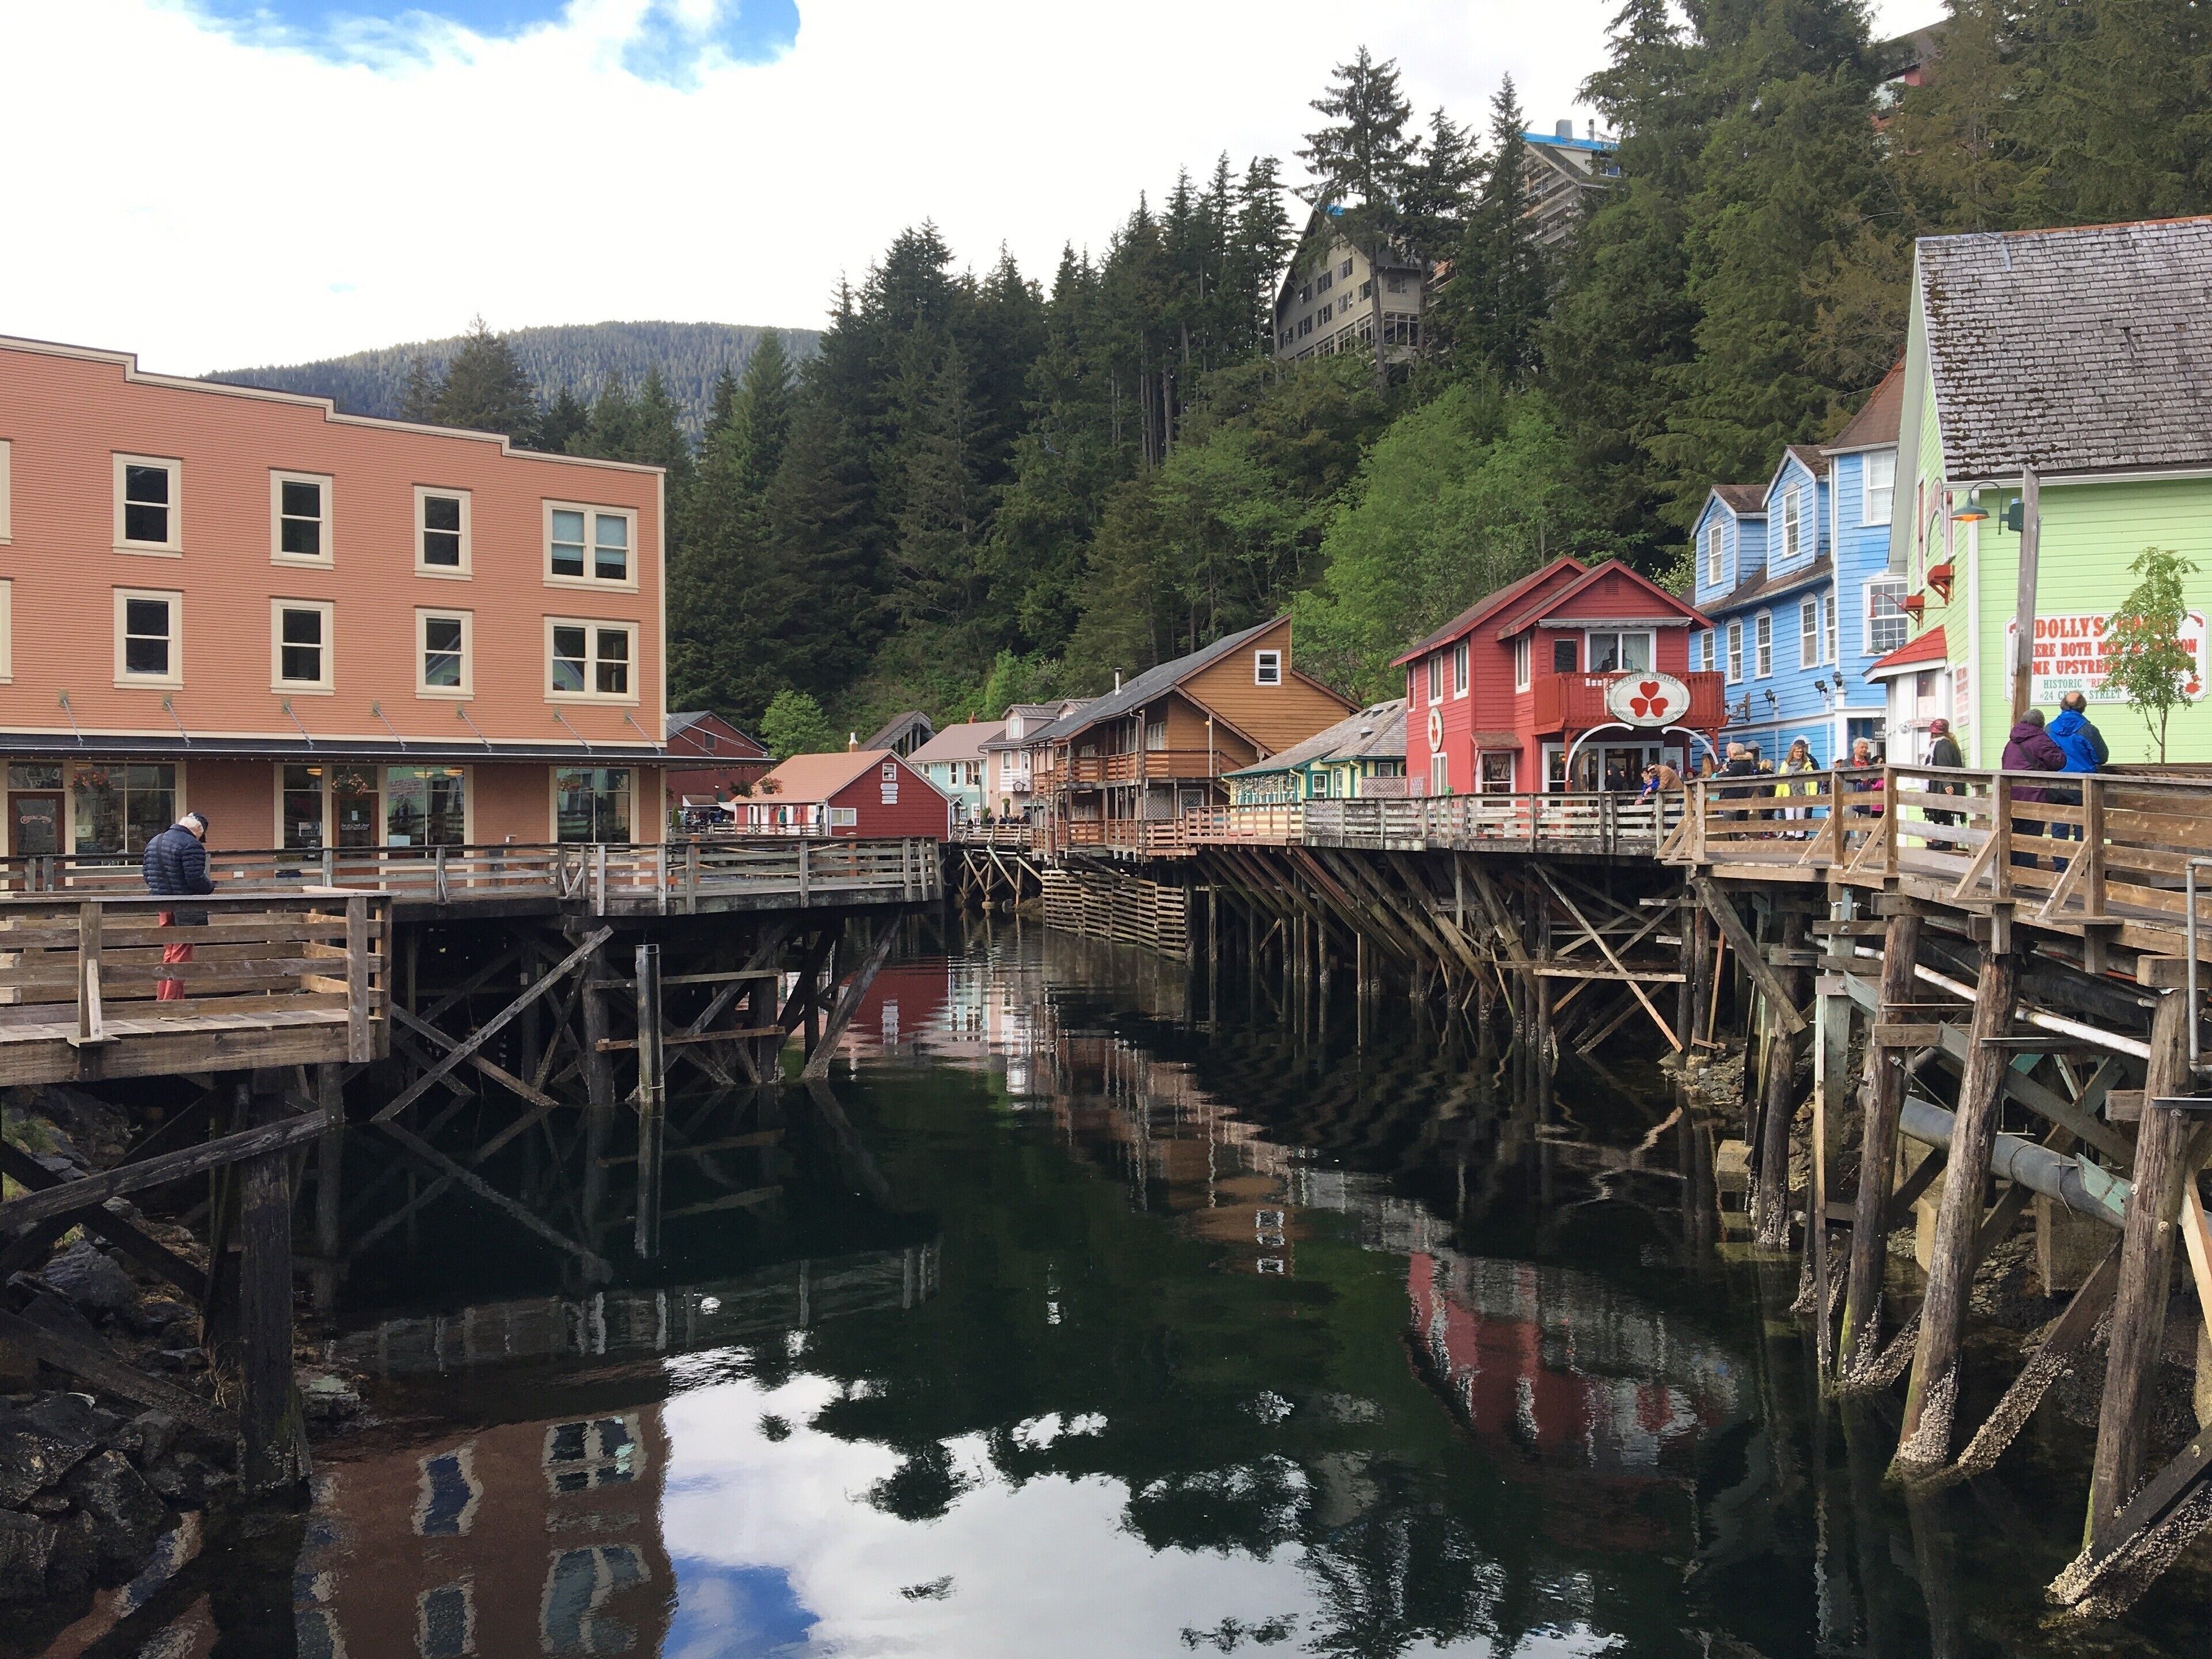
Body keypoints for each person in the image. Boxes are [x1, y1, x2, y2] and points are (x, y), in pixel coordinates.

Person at [141, 812, 214, 1002]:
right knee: (181, 954)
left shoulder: (154, 841)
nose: (201, 839)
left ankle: (162, 1000)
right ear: (198, 830)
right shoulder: (192, 845)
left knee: (169, 952)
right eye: (201, 835)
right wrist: (211, 887)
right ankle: (172, 1004)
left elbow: (147, 876)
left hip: (162, 904)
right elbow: (195, 880)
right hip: (185, 906)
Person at [2002, 708, 2068, 866]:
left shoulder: (2011, 742)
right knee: (2032, 835)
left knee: (2017, 833)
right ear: (2041, 724)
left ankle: (2012, 873)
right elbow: (2059, 761)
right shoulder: (2039, 739)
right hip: (2033, 795)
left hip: (2012, 794)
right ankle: (2026, 877)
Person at [2047, 690, 2107, 848]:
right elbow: (2101, 757)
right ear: (2083, 706)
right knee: (2083, 829)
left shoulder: (2049, 730)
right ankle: (2082, 870)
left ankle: (2061, 869)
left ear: (2062, 705)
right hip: (2083, 786)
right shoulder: (2089, 731)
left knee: (2059, 830)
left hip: (2056, 785)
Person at [1923, 718, 1964, 849]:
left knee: (1943, 812)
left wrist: (1947, 784)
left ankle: (1945, 842)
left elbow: (1944, 765)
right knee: (1943, 812)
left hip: (1941, 785)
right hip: (1941, 783)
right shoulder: (1946, 743)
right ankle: (1943, 841)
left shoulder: (1942, 745)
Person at [1774, 738, 1818, 834]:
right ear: (1793, 752)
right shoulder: (1785, 765)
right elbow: (1781, 781)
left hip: (1802, 792)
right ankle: (1790, 834)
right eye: (1797, 751)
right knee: (1789, 815)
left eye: (1801, 752)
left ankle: (1800, 834)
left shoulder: (1807, 765)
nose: (1799, 753)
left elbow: (1812, 781)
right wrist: (1778, 795)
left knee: (1801, 815)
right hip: (1789, 792)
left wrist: (1813, 795)